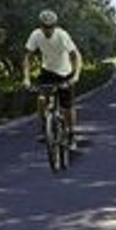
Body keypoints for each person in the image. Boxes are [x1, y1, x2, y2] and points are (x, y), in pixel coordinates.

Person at [23, 9, 82, 149]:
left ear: (55, 25)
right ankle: (46, 128)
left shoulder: (62, 35)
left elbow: (76, 56)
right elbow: (27, 57)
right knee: (41, 99)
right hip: (47, 71)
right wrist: (26, 78)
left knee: (67, 107)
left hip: (64, 73)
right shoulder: (35, 35)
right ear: (41, 26)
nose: (47, 30)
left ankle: (71, 134)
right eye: (45, 26)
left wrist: (76, 75)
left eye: (50, 27)